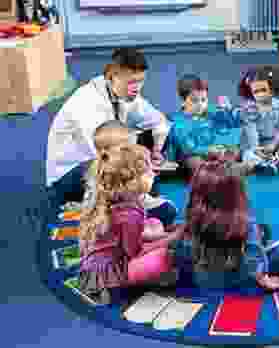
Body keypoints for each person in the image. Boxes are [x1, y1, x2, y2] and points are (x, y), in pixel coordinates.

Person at [46, 48, 170, 209]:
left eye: (141, 81)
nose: (137, 88)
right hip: (72, 173)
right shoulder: (87, 102)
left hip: (107, 154)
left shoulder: (123, 92)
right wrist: (140, 164)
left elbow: (159, 121)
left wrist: (156, 150)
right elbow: (103, 156)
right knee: (126, 169)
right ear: (113, 76)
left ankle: (131, 191)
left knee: (154, 137)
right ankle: (110, 200)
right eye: (131, 82)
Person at [78, 144, 182, 305]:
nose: (154, 173)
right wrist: (172, 238)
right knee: (163, 256)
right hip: (107, 276)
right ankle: (128, 285)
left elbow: (126, 235)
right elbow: (136, 252)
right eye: (149, 171)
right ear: (133, 180)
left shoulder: (112, 197)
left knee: (154, 222)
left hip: (94, 265)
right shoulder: (129, 214)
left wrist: (163, 234)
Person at [185, 153, 279, 290]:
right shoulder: (246, 223)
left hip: (204, 280)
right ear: (237, 192)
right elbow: (253, 257)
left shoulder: (194, 218)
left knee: (261, 232)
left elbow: (189, 250)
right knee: (261, 239)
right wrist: (265, 279)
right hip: (240, 282)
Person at [82, 120, 177, 228]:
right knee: (168, 209)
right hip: (124, 215)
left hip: (101, 217)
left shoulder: (95, 166)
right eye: (131, 145)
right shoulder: (122, 167)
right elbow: (137, 195)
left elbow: (90, 200)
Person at [165, 74, 252, 177]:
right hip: (189, 157)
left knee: (234, 150)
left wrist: (228, 110)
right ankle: (223, 172)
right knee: (194, 161)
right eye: (194, 100)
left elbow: (232, 123)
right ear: (183, 101)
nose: (200, 105)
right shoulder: (178, 122)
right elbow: (188, 148)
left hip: (212, 152)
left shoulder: (209, 112)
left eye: (204, 100)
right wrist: (209, 150)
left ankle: (224, 169)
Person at [238, 65, 279, 174]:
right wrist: (257, 149)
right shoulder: (250, 109)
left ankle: (276, 161)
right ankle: (262, 164)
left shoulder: (278, 105)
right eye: (256, 92)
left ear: (272, 89)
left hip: (273, 143)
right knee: (247, 155)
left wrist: (274, 144)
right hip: (255, 145)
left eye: (263, 90)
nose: (260, 95)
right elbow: (251, 132)